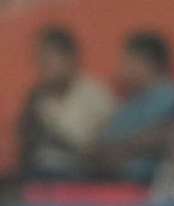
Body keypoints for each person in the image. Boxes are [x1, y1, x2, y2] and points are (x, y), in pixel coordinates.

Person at [17, 26, 115, 180]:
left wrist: (59, 139)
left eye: (48, 60)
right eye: (39, 61)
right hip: (39, 175)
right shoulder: (38, 98)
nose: (42, 67)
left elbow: (104, 151)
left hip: (81, 177)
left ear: (70, 58)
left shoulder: (95, 96)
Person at [96, 32, 174, 181]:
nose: (122, 69)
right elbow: (105, 140)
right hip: (112, 176)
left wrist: (126, 147)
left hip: (150, 181)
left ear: (147, 63)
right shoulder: (130, 102)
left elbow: (169, 135)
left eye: (128, 62)